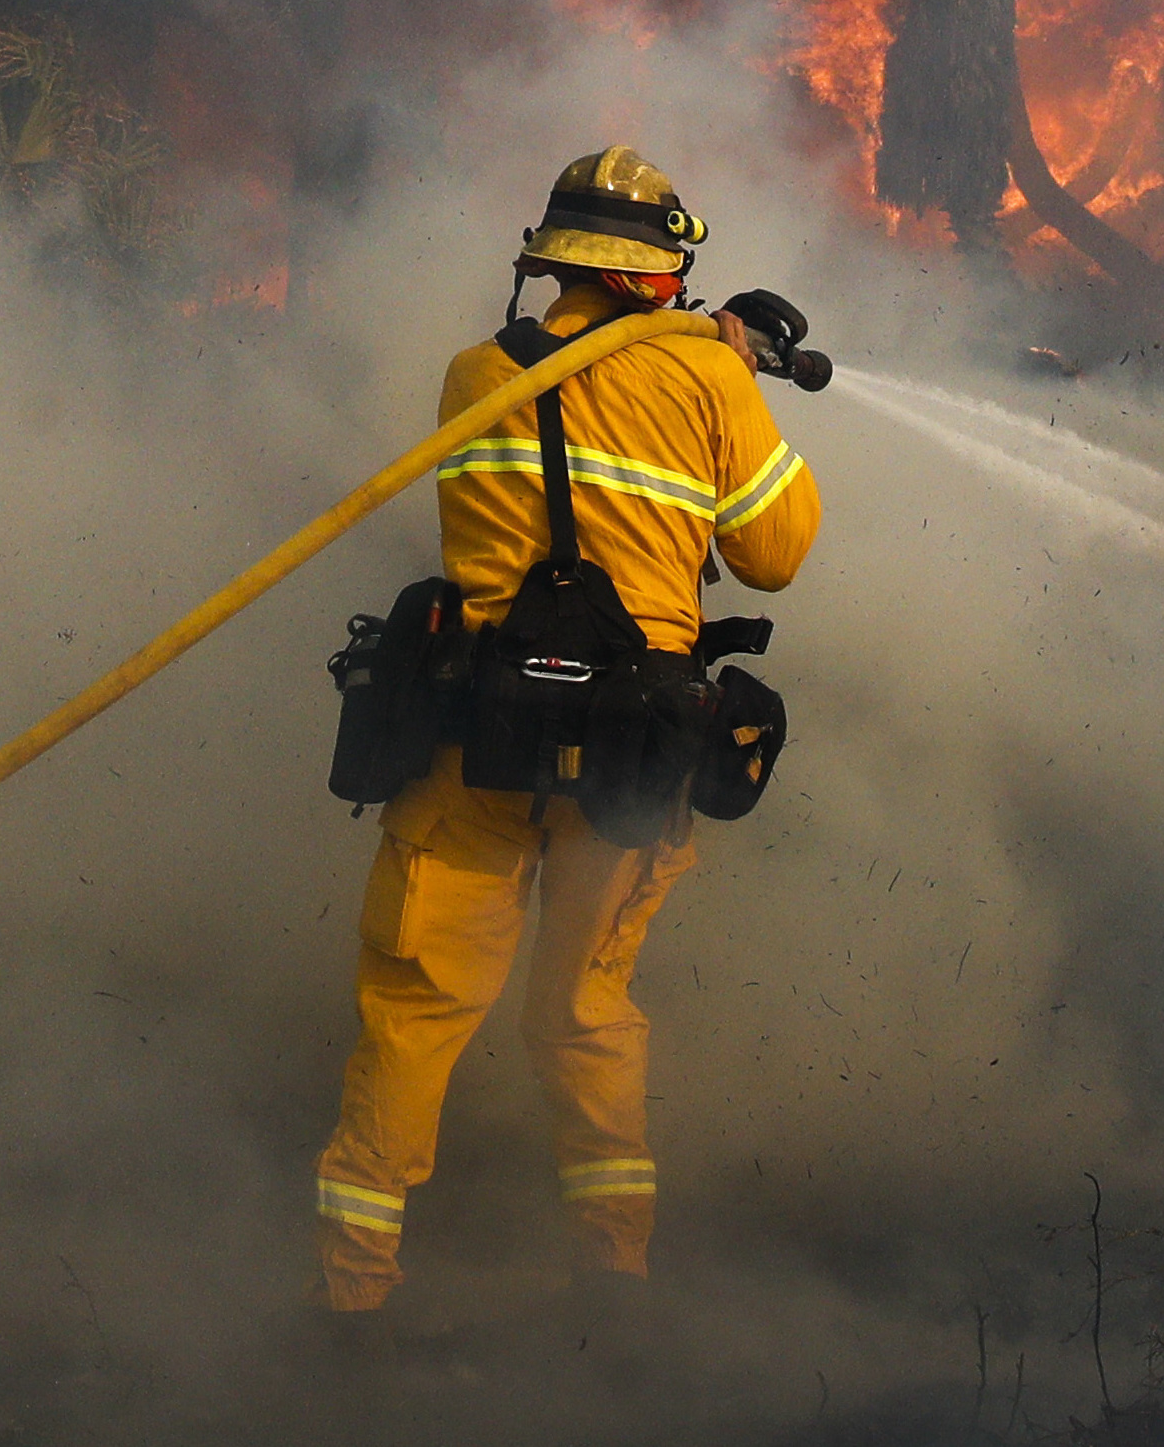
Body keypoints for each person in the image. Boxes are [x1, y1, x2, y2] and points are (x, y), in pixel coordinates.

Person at [313, 145, 821, 1319]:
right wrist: (721, 362)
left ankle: (348, 1303)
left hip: (470, 744)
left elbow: (568, 418)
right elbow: (773, 556)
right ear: (659, 275)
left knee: (411, 1010)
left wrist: (697, 351)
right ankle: (612, 1281)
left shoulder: (469, 373)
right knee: (586, 1011)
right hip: (632, 756)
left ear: (549, 261)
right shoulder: (705, 380)